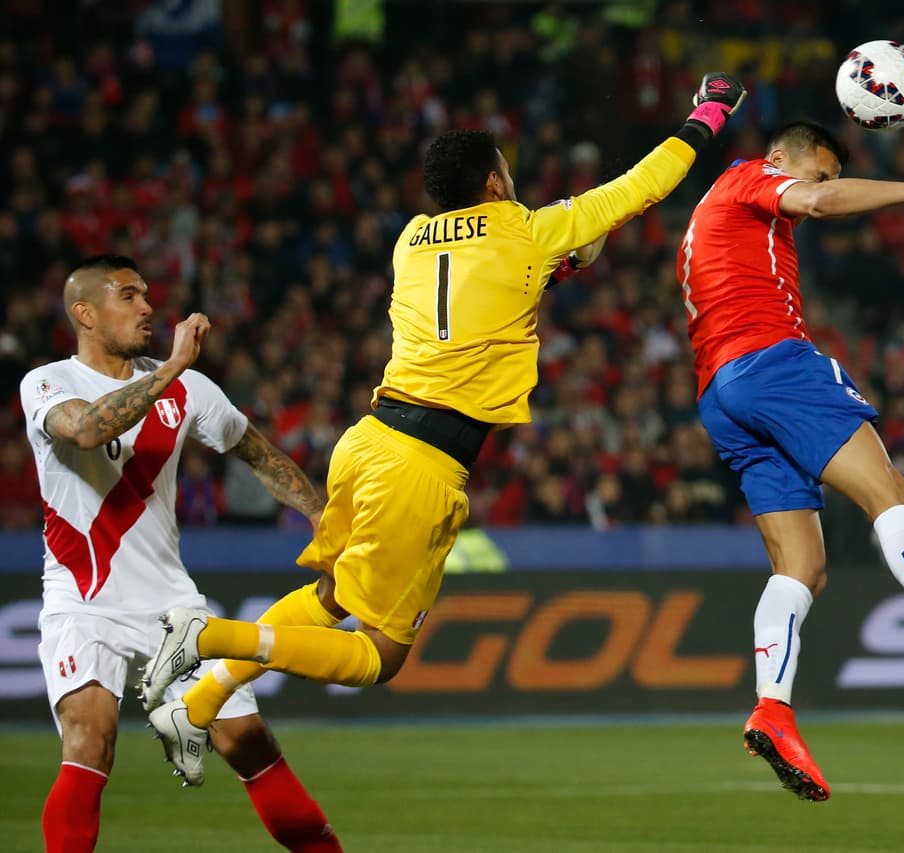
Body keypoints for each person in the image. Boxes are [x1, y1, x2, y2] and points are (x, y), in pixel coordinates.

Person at [139, 74, 749, 783]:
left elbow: (478, 292)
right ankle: (205, 635)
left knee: (336, 594)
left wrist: (551, 269)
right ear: (495, 182)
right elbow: (646, 183)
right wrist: (709, 110)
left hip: (366, 442)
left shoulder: (411, 240)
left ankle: (199, 703)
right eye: (509, 173)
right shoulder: (527, 227)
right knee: (379, 656)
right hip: (420, 464)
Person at [674, 120, 904, 802]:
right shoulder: (749, 177)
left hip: (719, 389)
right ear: (779, 159)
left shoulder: (710, 217)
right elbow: (816, 201)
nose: (815, 190)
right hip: (772, 361)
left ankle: (773, 708)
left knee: (801, 568)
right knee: (893, 491)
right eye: (814, 172)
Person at [19, 255, 341, 851]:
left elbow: (256, 452)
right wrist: (171, 367)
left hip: (172, 605)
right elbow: (88, 429)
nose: (147, 307)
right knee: (90, 737)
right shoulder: (48, 382)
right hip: (83, 600)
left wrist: (318, 513)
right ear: (85, 314)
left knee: (247, 740)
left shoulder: (188, 388)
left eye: (146, 294)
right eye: (128, 296)